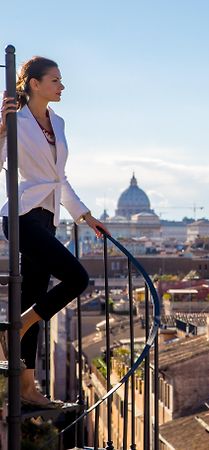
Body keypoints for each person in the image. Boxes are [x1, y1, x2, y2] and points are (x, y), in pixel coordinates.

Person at [0, 56, 109, 408]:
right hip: (21, 215)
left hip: (47, 218)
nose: (62, 86)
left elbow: (59, 178)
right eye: (55, 80)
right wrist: (1, 127)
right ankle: (16, 325)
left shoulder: (58, 123)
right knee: (77, 278)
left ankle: (27, 389)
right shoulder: (13, 117)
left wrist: (85, 215)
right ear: (34, 83)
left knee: (33, 296)